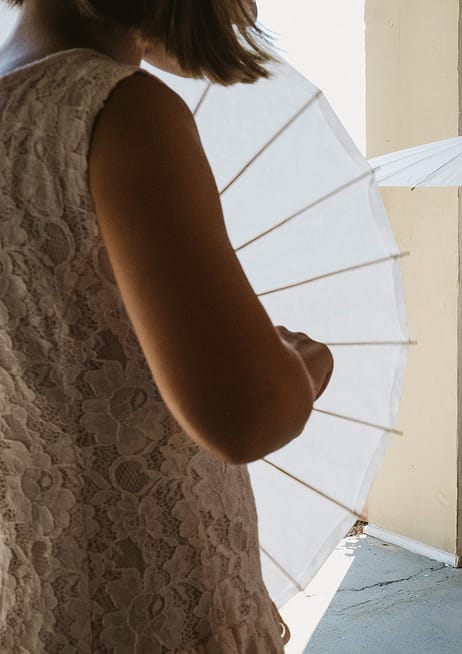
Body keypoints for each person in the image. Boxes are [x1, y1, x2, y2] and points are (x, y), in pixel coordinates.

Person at [0, 0, 333, 650]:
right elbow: (247, 414)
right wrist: (304, 366)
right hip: (149, 604)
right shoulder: (120, 111)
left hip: (29, 592)